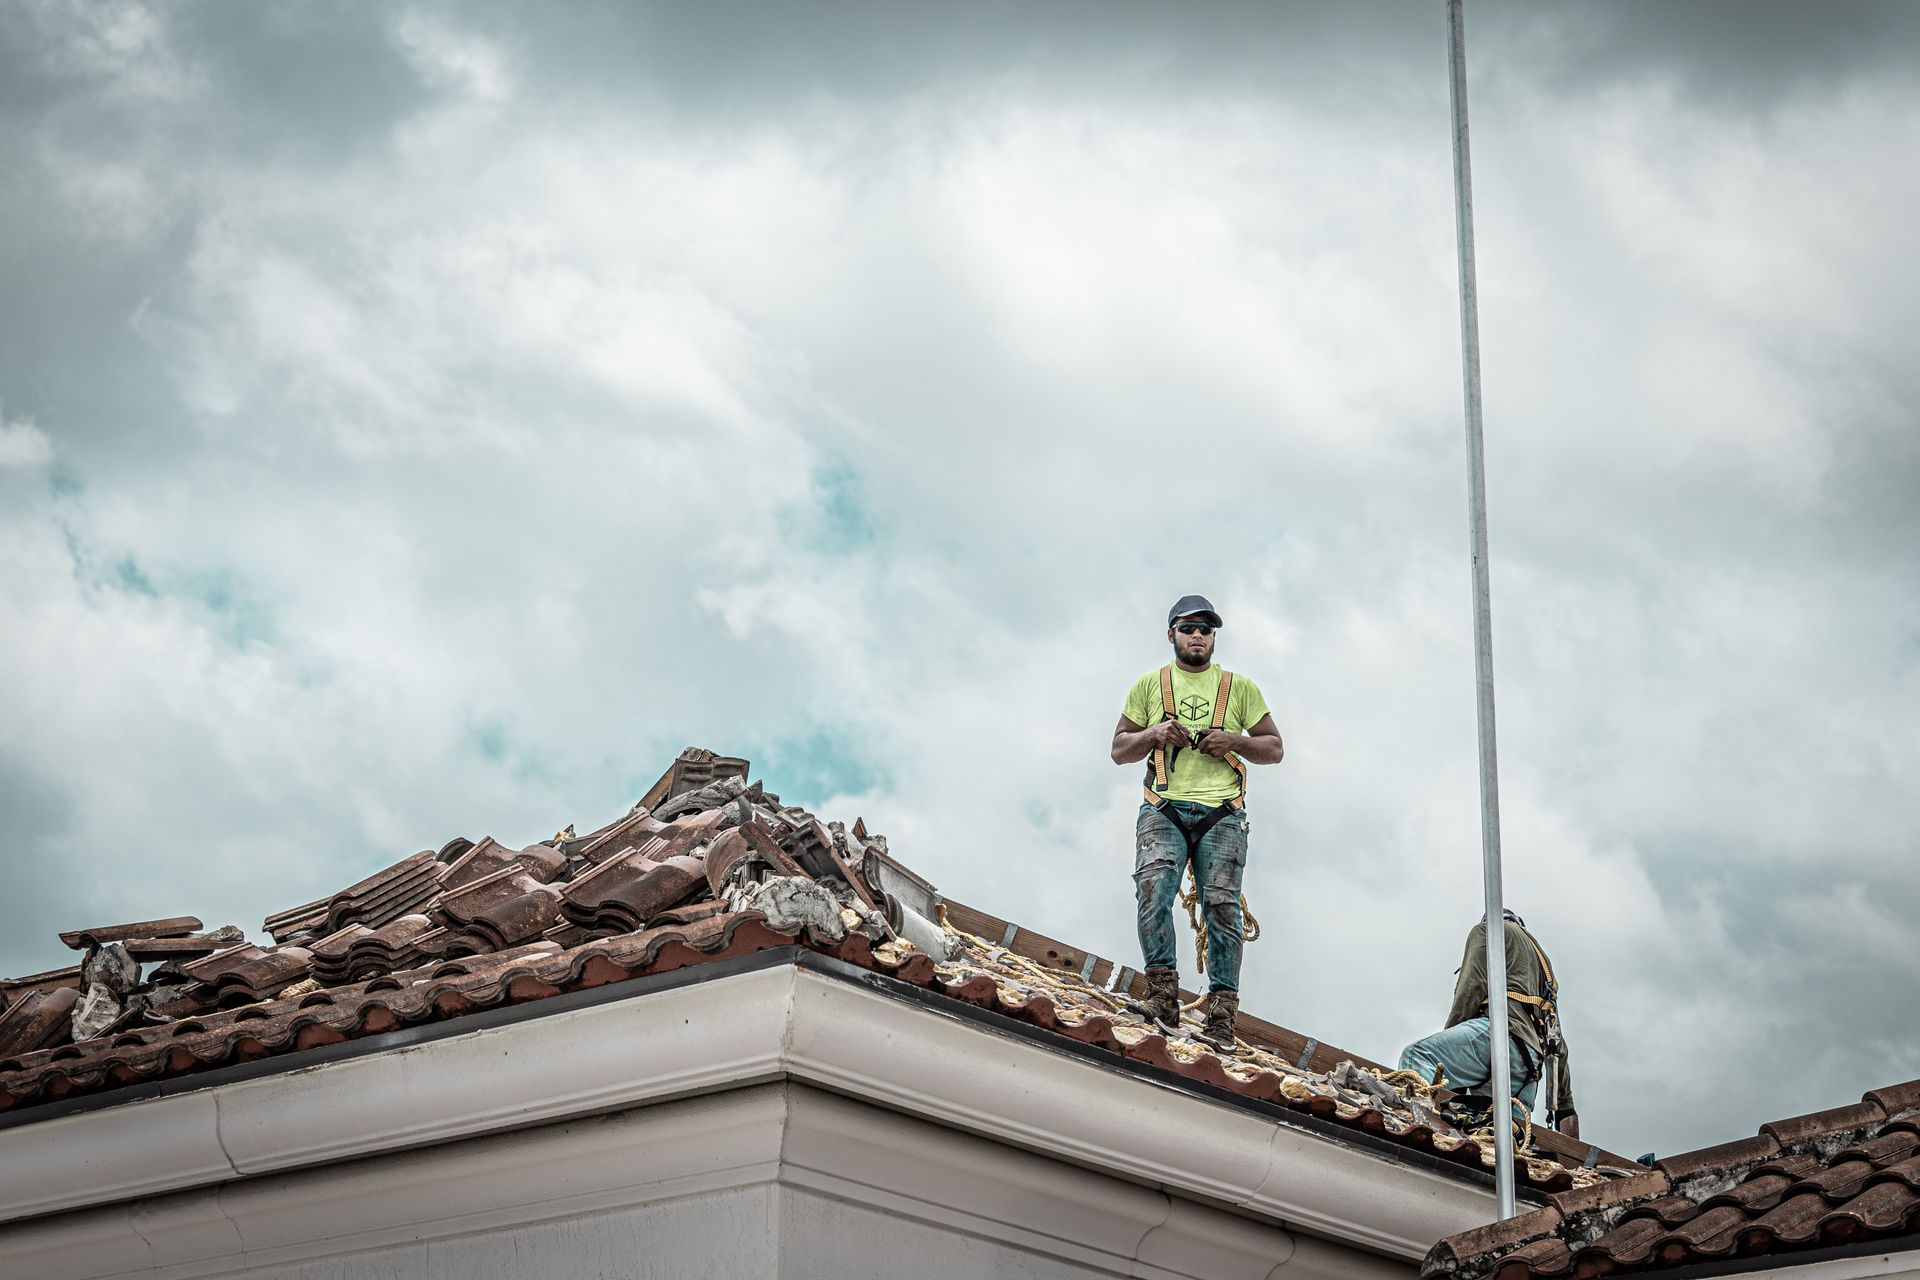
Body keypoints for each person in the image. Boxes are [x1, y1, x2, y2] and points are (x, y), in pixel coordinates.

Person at [1109, 595, 1284, 1051]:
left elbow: (1274, 748)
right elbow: (1119, 749)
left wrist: (1234, 741)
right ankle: (1163, 997)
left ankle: (1221, 1015)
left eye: (1206, 629)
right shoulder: (1149, 686)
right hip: (1163, 806)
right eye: (1189, 628)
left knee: (1222, 908)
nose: (1198, 636)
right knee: (1153, 890)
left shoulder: (1239, 688)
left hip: (1222, 812)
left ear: (1213, 638)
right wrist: (1154, 734)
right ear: (1172, 634)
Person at [1399, 911, 1579, 1138]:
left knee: (1417, 1056)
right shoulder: (1545, 968)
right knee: (1501, 1139)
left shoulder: (1490, 929)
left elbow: (1471, 987)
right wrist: (1564, 1107)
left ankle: (1423, 1136)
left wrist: (1446, 1067)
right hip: (1528, 1067)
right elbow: (1558, 1043)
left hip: (1498, 1036)